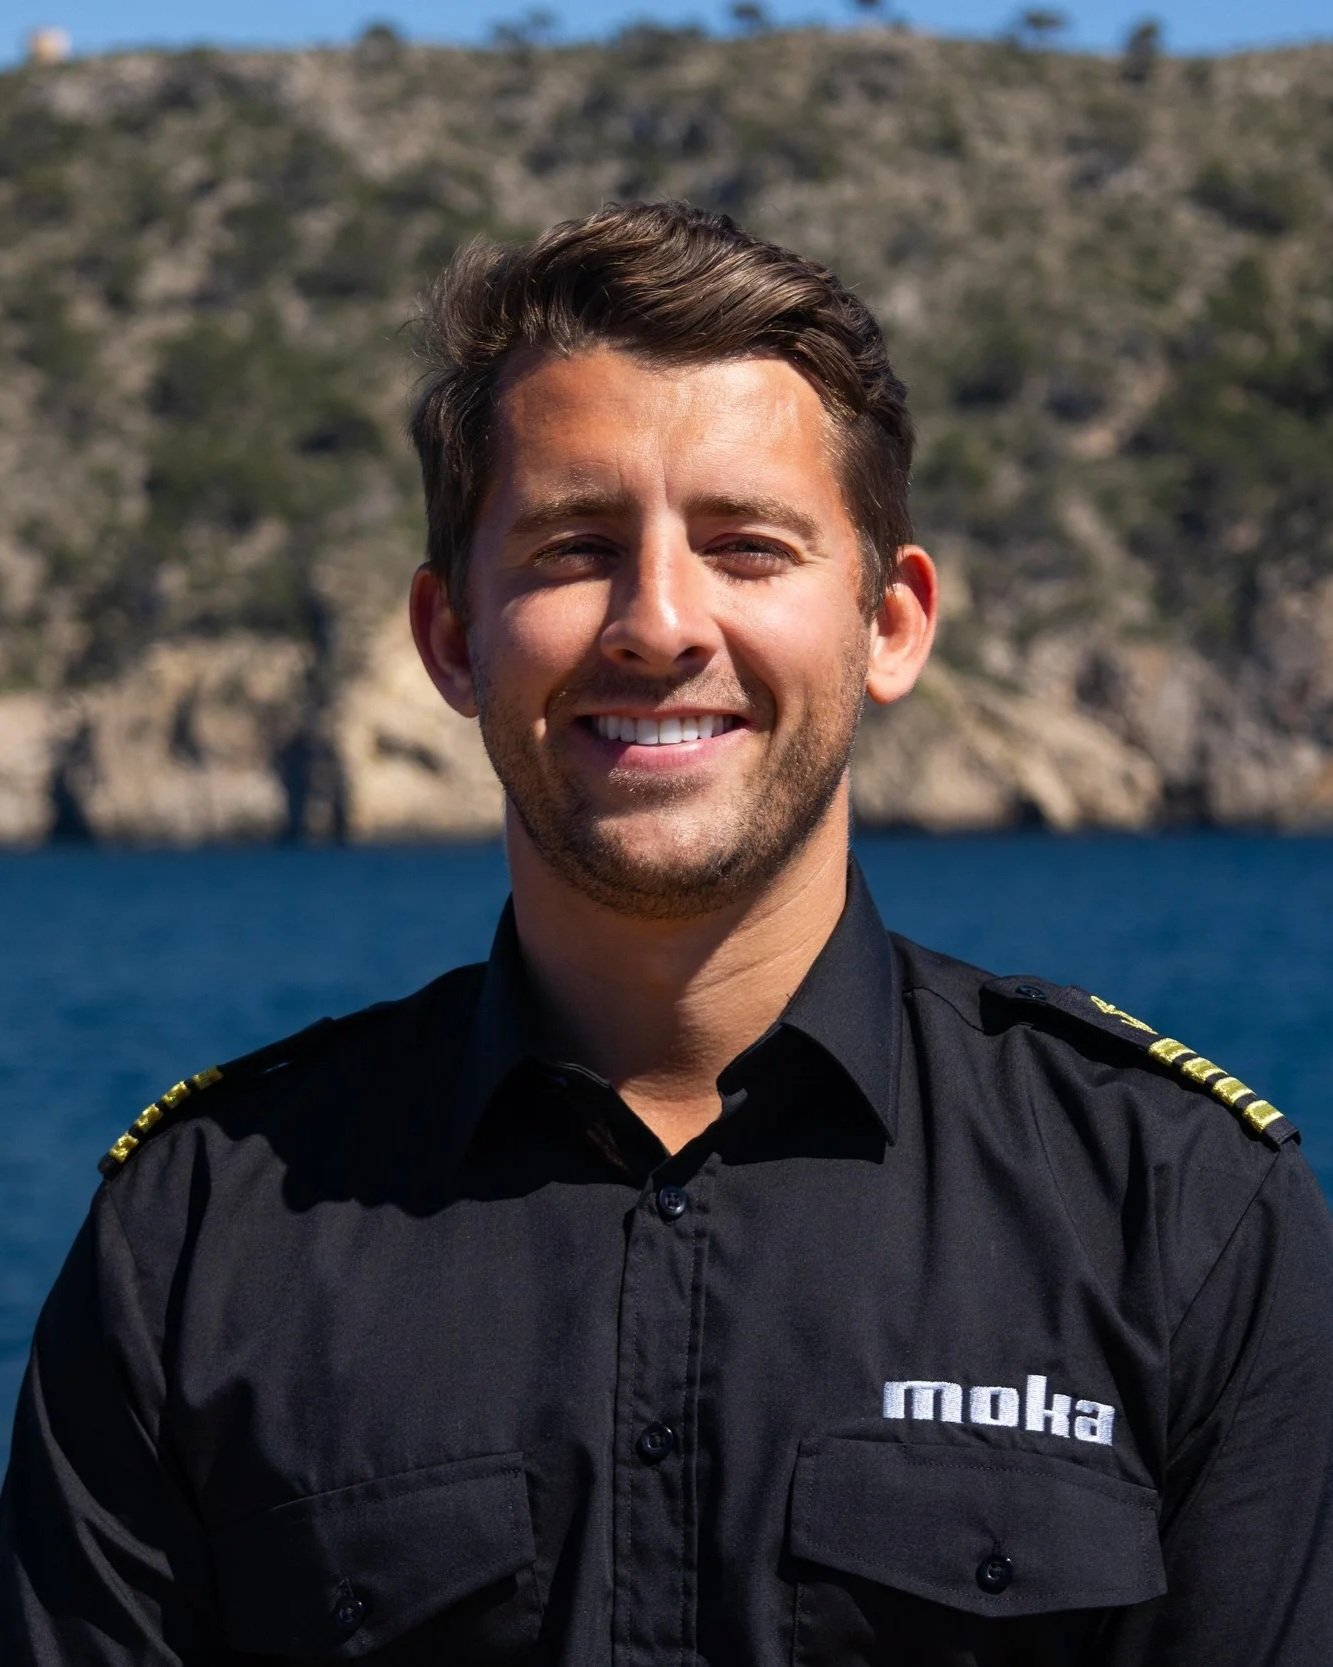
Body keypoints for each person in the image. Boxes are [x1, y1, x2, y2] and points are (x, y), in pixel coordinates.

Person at [2, 200, 1331, 1666]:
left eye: (745, 546)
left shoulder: (1177, 1214)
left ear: (889, 624)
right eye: (574, 549)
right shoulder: (198, 1243)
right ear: (451, 638)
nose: (657, 622)